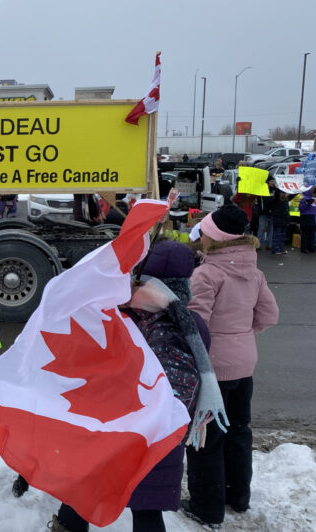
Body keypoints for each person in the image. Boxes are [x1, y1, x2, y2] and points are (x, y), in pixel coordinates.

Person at [51, 241, 225, 532]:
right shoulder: (188, 324)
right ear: (185, 282)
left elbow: (96, 363)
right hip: (154, 434)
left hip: (125, 430)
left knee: (91, 493)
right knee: (141, 508)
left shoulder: (124, 316)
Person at [183, 204, 279, 528]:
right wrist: (241, 337)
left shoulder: (207, 273)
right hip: (244, 365)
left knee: (206, 439)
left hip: (212, 371)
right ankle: (238, 497)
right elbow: (269, 316)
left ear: (214, 237)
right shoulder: (255, 271)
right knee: (239, 431)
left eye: (205, 231)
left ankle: (206, 509)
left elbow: (198, 328)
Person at [269, 186, 292, 255]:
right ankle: (275, 250)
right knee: (277, 236)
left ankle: (281, 249)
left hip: (285, 221)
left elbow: (293, 195)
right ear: (279, 193)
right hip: (278, 221)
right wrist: (278, 187)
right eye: (282, 193)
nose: (283, 194)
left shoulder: (286, 200)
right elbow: (276, 195)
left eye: (284, 193)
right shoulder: (275, 200)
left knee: (282, 236)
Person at [256, 178, 276, 250]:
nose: (273, 183)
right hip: (263, 212)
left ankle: (269, 244)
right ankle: (258, 244)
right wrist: (272, 196)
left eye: (273, 181)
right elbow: (265, 199)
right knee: (261, 228)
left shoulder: (275, 190)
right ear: (268, 182)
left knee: (271, 229)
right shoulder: (263, 190)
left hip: (272, 212)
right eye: (271, 181)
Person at [298, 187, 316, 254]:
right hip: (305, 217)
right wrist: (306, 203)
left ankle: (311, 247)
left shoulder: (314, 198)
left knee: (311, 233)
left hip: (313, 217)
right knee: (305, 233)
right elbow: (301, 209)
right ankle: (304, 248)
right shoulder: (304, 198)